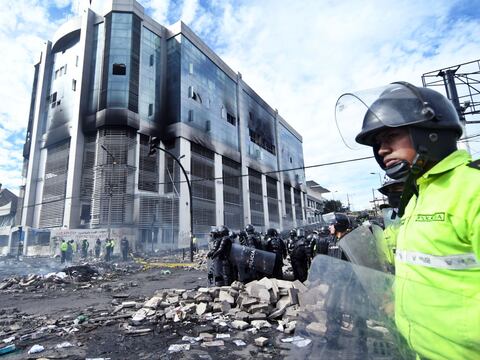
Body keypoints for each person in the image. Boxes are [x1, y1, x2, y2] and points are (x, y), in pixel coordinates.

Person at [353, 81, 480, 359]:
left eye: (391, 137)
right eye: (377, 143)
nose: (381, 150)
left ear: (430, 133)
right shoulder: (419, 195)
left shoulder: (472, 188)